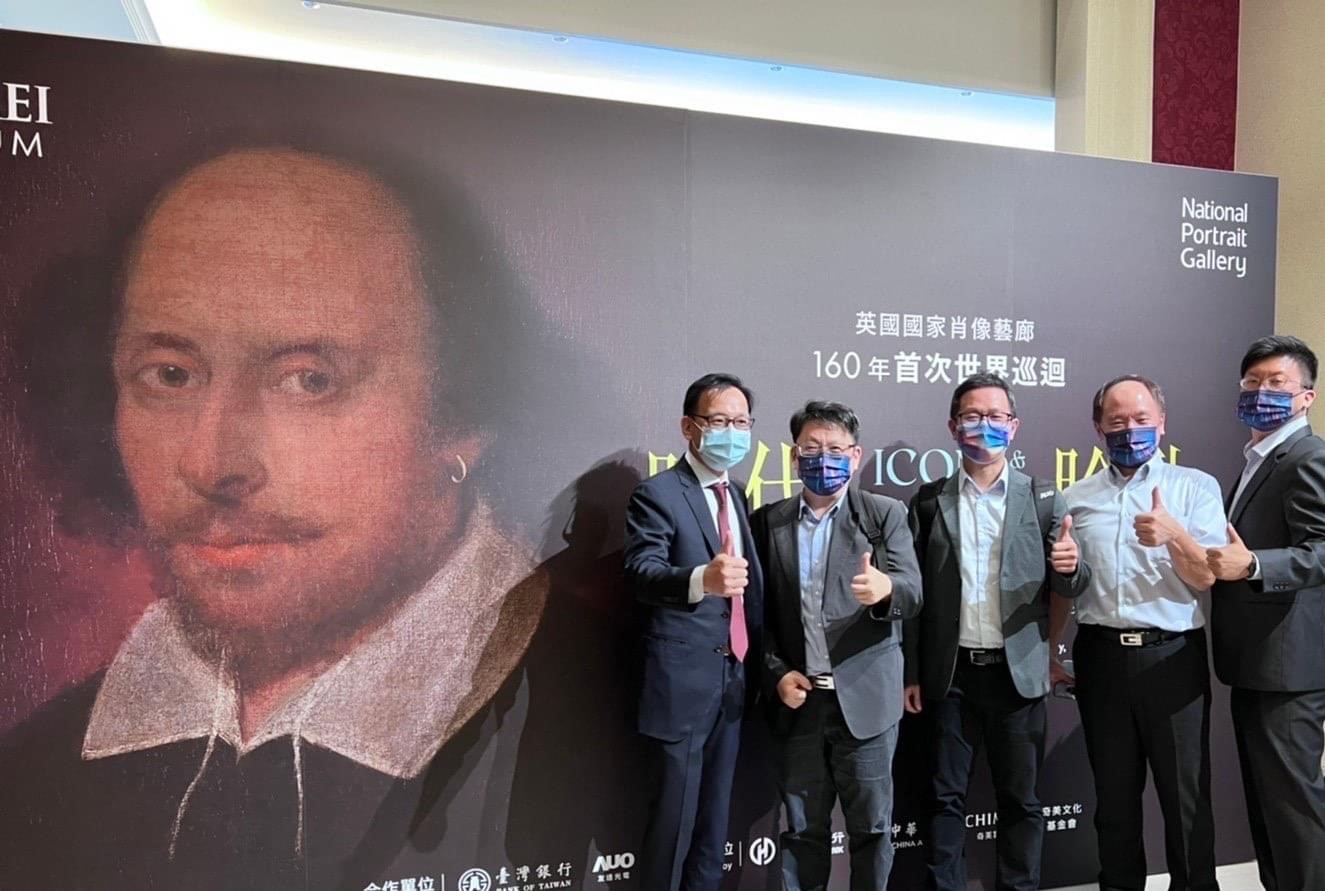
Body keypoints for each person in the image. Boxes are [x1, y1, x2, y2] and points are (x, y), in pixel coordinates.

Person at [0, 147, 550, 889]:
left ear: (461, 419)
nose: (213, 462)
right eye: (171, 374)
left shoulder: (591, 697)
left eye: (308, 380)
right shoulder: (36, 773)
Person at [903, 373, 1089, 891]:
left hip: (1018, 675)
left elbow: (1072, 584)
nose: (984, 426)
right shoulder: (929, 501)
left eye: (996, 416)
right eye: (972, 416)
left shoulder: (1043, 498)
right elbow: (913, 598)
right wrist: (912, 672)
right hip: (951, 676)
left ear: (1014, 425)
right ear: (952, 426)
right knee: (943, 799)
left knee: (1020, 800)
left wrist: (1071, 567)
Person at [1055, 375, 1224, 891]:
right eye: (1117, 421)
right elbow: (1065, 586)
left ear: (1162, 422)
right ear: (1098, 428)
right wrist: (1049, 649)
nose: (1130, 430)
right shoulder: (1074, 498)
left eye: (1141, 419)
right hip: (1101, 658)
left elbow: (1206, 577)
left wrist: (1174, 535)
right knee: (1114, 799)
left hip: (1172, 657)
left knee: (1186, 797)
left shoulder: (1195, 487)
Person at [751, 400, 921, 891]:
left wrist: (885, 590)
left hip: (866, 703)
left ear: (855, 455)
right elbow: (757, 616)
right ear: (793, 456)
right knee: (802, 832)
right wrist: (776, 672)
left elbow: (913, 591)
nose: (823, 459)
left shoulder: (883, 515)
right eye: (811, 449)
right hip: (800, 704)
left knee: (871, 829)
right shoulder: (769, 522)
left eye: (835, 449)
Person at [624, 372, 764, 891]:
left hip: (733, 681)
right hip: (681, 686)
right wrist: (701, 579)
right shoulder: (658, 494)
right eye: (719, 421)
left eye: (742, 423)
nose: (733, 432)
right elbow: (641, 572)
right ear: (689, 427)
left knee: (714, 824)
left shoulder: (739, 495)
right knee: (673, 825)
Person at [1208, 335, 1325, 891]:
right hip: (1255, 661)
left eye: (1277, 383)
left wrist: (1253, 564)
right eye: (1252, 382)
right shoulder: (1259, 459)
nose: (1262, 392)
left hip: (1288, 668)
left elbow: (1321, 550)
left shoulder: (1308, 456)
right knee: (1267, 801)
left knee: (1293, 804)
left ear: (1306, 396)